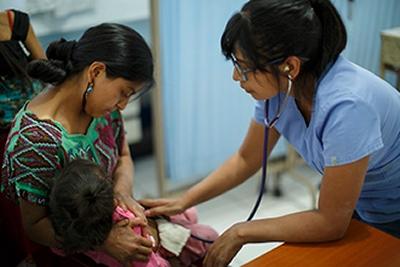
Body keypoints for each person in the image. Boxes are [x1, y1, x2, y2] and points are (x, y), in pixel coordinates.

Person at [140, 0, 400, 266]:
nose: (235, 77)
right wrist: (182, 201)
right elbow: (246, 159)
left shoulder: (348, 107)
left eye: (244, 67)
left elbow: (331, 221)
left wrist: (241, 232)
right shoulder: (281, 91)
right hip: (359, 204)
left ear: (290, 66)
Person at [1, 22, 155, 266]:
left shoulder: (103, 110)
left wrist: (122, 191)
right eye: (124, 92)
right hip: (68, 254)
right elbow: (35, 226)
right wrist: (103, 241)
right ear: (95, 72)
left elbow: (123, 156)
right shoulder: (36, 140)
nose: (123, 105)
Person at [49, 159, 218, 267]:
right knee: (210, 237)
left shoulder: (75, 236)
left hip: (162, 233)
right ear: (114, 199)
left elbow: (58, 248)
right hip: (169, 239)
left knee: (187, 214)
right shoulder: (129, 225)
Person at [0, 9, 46, 266]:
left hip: (29, 124)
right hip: (2, 135)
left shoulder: (15, 21)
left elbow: (43, 66)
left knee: (36, 197)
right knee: (11, 211)